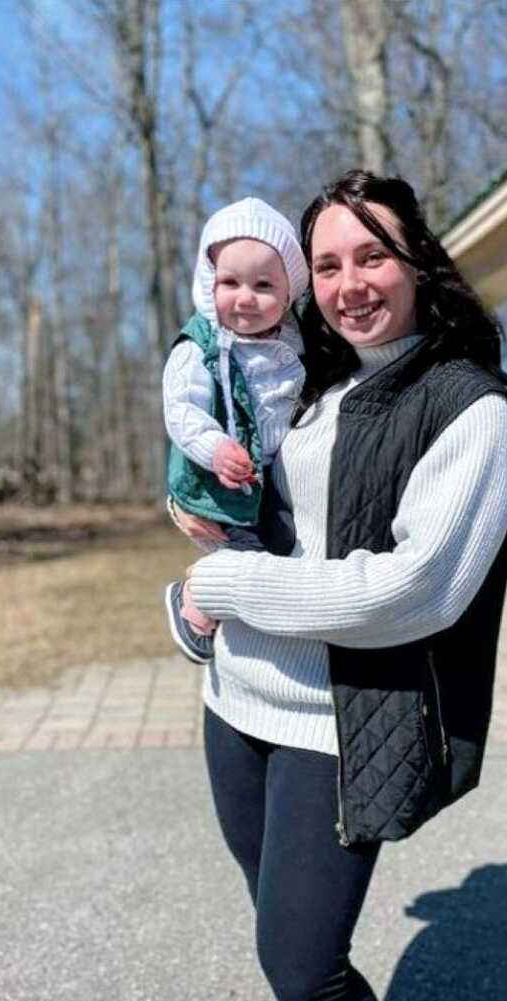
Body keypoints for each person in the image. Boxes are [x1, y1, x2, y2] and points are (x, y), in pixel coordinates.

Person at [174, 170, 507, 1001]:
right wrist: (196, 598)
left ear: (418, 262)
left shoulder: (470, 408)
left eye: (371, 255)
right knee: (275, 932)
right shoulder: (311, 379)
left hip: (338, 723)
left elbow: (411, 591)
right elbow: (261, 531)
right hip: (235, 700)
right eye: (327, 264)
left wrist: (232, 587)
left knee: (301, 960)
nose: (349, 284)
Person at [162, 197, 309, 664]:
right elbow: (182, 411)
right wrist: (216, 449)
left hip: (265, 478)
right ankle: (195, 600)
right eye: (230, 282)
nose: (244, 297)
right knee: (250, 551)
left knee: (282, 545)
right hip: (216, 476)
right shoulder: (202, 347)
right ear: (209, 284)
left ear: (289, 292)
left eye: (263, 284)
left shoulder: (294, 342)